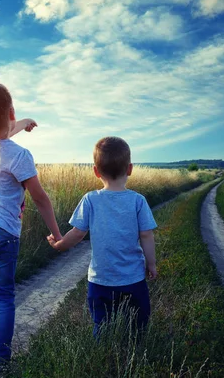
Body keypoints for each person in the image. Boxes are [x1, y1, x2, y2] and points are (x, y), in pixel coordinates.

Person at [0, 82, 62, 371]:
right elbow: (41, 199)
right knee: (3, 296)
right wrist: (57, 235)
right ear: (10, 111)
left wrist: (23, 122)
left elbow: (2, 130)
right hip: (1, 233)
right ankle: (1, 359)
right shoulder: (20, 156)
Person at [47, 136, 157, 337]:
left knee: (101, 325)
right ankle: (136, 355)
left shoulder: (90, 200)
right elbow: (146, 235)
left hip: (100, 280)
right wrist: (151, 264)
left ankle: (103, 353)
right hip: (133, 279)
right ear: (130, 169)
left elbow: (78, 233)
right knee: (138, 326)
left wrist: (60, 245)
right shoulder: (138, 201)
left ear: (96, 171)